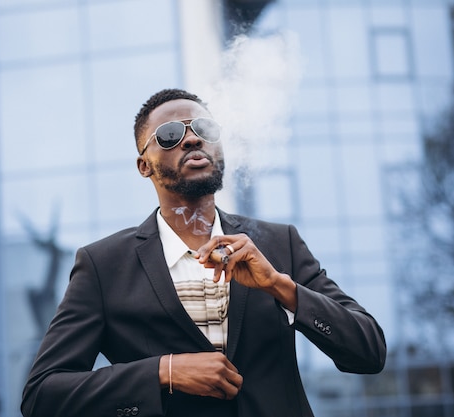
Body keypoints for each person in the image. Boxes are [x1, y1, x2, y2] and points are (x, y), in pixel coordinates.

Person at [21, 88, 386, 417]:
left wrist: (281, 287)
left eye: (205, 130)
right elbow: (43, 395)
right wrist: (164, 372)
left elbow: (369, 351)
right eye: (169, 135)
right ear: (143, 165)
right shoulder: (104, 265)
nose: (192, 138)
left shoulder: (278, 244)